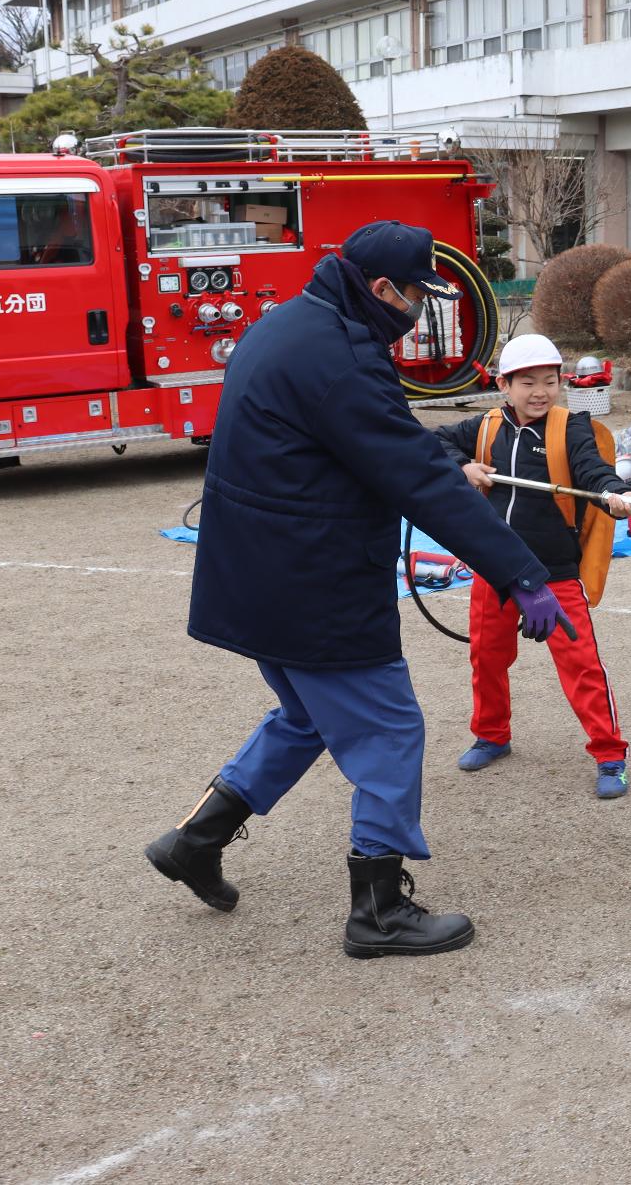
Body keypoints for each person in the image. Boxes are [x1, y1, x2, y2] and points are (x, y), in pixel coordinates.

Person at [145, 221, 563, 960]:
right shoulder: (338, 355)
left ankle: (196, 837)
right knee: (389, 728)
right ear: (381, 290)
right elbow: (416, 476)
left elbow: (361, 442)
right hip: (314, 581)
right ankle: (377, 909)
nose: (415, 312)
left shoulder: (289, 325)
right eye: (414, 297)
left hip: (255, 574)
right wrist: (521, 572)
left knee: (306, 716)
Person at [433, 334, 631, 799]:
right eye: (528, 382)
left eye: (550, 381)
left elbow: (592, 469)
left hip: (554, 570)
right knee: (487, 656)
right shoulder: (486, 425)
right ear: (503, 385)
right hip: (496, 567)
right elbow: (432, 442)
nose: (540, 391)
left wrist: (614, 494)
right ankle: (492, 735)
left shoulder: (571, 426)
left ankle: (610, 755)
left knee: (582, 664)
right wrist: (463, 466)